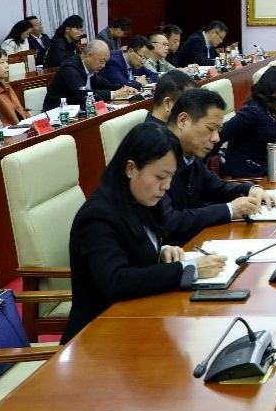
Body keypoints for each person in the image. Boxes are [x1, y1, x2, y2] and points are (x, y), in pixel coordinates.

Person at [62, 122, 227, 343]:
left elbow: (134, 249)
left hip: (139, 318)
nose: (166, 186)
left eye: (171, 176)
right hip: (98, 336)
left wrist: (161, 252)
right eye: (160, 177)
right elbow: (116, 281)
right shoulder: (98, 216)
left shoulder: (141, 200)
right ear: (131, 168)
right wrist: (189, 269)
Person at [162, 89, 273, 244]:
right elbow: (169, 222)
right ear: (183, 120)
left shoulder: (190, 154)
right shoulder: (157, 155)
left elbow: (217, 188)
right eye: (210, 129)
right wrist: (229, 210)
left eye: (218, 131)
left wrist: (251, 189)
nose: (216, 138)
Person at [220, 67, 276, 177]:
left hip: (266, 167)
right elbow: (221, 133)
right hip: (247, 172)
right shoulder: (252, 112)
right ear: (274, 90)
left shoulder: (273, 109)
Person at [43, 40, 138, 112]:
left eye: (105, 62)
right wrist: (113, 94)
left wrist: (124, 88)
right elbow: (83, 94)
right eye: (101, 61)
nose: (103, 65)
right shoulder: (69, 68)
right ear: (89, 55)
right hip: (57, 116)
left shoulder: (91, 68)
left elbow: (105, 85)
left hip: (80, 112)